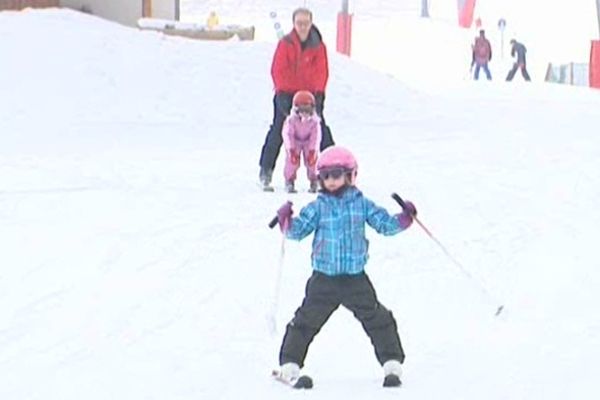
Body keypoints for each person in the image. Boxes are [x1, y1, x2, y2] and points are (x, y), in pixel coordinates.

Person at [273, 146, 417, 388]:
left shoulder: (362, 204)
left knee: (377, 318)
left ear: (351, 175)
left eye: (336, 174)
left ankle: (391, 362)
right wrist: (285, 220)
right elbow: (297, 231)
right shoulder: (318, 207)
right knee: (306, 320)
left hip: (355, 279)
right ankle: (290, 364)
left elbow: (384, 225)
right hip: (324, 280)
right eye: (325, 176)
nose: (330, 181)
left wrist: (403, 219)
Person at [258, 7, 335, 189]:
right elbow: (278, 70)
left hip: (310, 96)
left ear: (311, 23)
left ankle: (334, 167)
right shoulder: (285, 44)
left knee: (320, 129)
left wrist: (318, 95)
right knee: (279, 128)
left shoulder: (319, 46)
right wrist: (283, 94)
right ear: (294, 24)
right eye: (299, 23)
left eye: (306, 23)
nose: (302, 27)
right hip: (287, 94)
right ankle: (266, 170)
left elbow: (321, 72)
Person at [282, 91, 321, 193]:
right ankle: (289, 180)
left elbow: (315, 136)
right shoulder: (291, 120)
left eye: (307, 109)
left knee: (312, 161)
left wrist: (313, 150)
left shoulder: (314, 121)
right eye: (302, 110)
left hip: (308, 142)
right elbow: (288, 134)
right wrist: (291, 149)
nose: (305, 113)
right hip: (295, 141)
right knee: (292, 161)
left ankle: (314, 180)